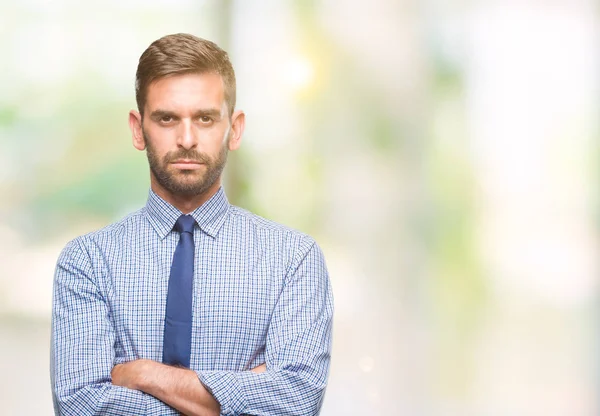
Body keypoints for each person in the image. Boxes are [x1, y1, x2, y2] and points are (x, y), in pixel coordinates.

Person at [50, 33, 334, 416]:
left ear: (234, 129)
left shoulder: (294, 259)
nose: (186, 139)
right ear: (138, 129)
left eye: (205, 118)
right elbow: (80, 405)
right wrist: (237, 392)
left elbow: (296, 402)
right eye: (167, 118)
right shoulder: (87, 261)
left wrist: (144, 374)